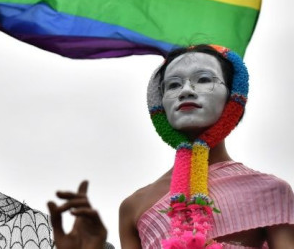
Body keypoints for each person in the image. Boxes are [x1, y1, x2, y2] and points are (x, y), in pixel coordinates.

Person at [119, 45, 294, 248]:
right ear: (159, 103)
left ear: (232, 97)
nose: (185, 91)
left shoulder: (270, 191)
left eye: (203, 80)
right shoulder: (133, 207)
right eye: (173, 85)